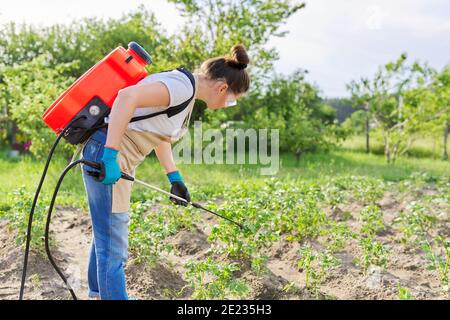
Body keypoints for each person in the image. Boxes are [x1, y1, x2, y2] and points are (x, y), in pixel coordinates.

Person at [81, 44, 251, 300]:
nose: (226, 105)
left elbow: (158, 133)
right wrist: (110, 154)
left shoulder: (187, 93)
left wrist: (174, 177)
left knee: (107, 231)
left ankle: (98, 293)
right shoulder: (181, 86)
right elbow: (127, 97)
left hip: (116, 156)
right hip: (107, 155)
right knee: (113, 243)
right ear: (222, 88)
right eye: (231, 102)